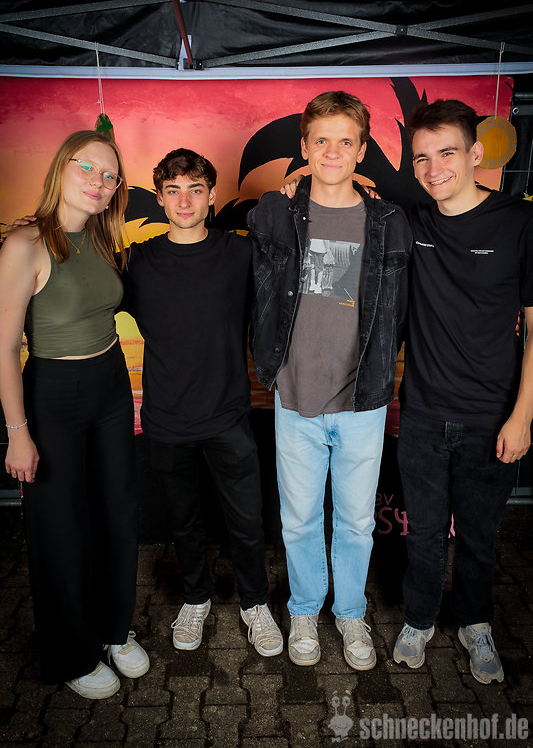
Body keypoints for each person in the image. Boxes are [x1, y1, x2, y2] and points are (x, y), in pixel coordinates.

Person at [247, 91, 412, 669]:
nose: (333, 151)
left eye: (346, 141)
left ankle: (349, 613)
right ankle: (303, 609)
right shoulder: (275, 212)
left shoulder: (389, 221)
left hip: (362, 399)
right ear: (304, 147)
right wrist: (288, 188)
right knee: (298, 520)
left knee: (357, 521)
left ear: (363, 150)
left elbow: (401, 308)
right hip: (296, 396)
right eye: (321, 140)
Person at [0, 130, 149, 699]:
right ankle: (71, 653)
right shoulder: (25, 244)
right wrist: (17, 433)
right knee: (60, 527)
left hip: (110, 384)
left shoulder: (103, 239)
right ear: (62, 167)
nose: (99, 182)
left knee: (117, 513)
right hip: (53, 395)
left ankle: (113, 628)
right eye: (88, 168)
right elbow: (4, 348)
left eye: (110, 176)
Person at [121, 148, 283, 658]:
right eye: (173, 190)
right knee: (184, 521)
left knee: (247, 521)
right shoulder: (139, 261)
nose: (185, 201)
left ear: (212, 196)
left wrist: (292, 203)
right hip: (167, 418)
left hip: (228, 415)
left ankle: (255, 603)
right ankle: (196, 598)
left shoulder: (239, 254)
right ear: (160, 198)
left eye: (195, 189)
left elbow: (289, 274)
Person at [392, 99, 533, 684]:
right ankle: (419, 619)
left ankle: (477, 624)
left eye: (446, 152)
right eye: (421, 157)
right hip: (423, 413)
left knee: (478, 537)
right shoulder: (412, 223)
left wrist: (523, 417)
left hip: (491, 416)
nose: (433, 169)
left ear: (476, 154)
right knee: (424, 534)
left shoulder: (520, 222)